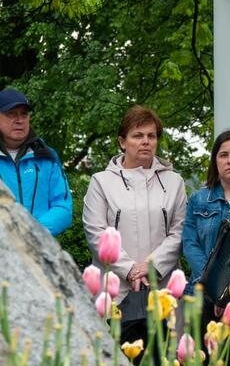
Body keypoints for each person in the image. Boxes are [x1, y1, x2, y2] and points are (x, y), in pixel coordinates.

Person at [83, 105, 187, 351]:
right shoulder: (101, 182)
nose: (145, 142)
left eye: (151, 136)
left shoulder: (174, 182)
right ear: (122, 142)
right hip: (115, 292)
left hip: (161, 290)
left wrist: (151, 268)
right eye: (137, 136)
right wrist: (130, 270)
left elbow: (180, 231)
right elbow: (95, 232)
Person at [182, 129, 230, 337]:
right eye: (224, 155)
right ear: (215, 161)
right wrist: (216, 288)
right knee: (203, 362)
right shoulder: (198, 200)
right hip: (204, 296)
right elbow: (190, 244)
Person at [0, 87, 72, 236]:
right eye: (11, 114)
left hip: (39, 249)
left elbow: (63, 207)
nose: (19, 120)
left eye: (24, 114)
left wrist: (32, 233)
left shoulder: (47, 156)